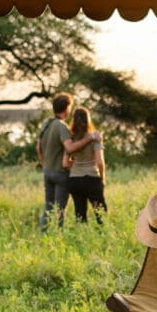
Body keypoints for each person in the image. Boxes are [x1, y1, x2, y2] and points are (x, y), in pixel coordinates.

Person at [36, 92, 98, 231]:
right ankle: (58, 237)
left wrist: (44, 163)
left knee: (48, 206)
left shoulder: (47, 123)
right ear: (67, 108)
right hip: (60, 173)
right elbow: (69, 147)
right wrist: (90, 138)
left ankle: (43, 235)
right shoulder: (61, 126)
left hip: (47, 171)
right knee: (60, 209)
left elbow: (38, 146)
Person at [66, 106, 107, 224]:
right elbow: (99, 161)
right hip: (92, 178)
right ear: (88, 119)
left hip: (74, 179)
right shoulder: (95, 138)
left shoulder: (71, 139)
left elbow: (66, 161)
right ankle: (102, 237)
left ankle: (80, 238)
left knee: (80, 214)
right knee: (101, 214)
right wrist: (102, 178)